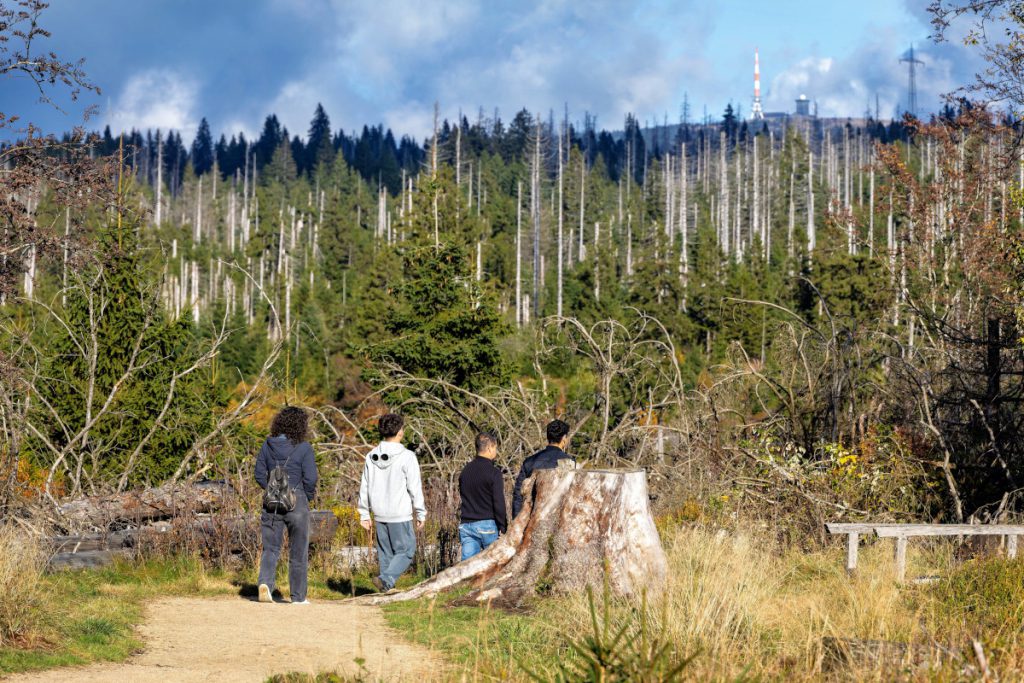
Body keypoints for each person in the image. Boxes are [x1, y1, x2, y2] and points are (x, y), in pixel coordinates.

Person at [255, 406, 318, 605]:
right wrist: (305, 496)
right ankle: (298, 597)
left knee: (270, 549)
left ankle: (265, 584)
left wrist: (272, 489)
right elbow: (311, 477)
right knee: (298, 551)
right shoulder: (304, 447)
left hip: (271, 503)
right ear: (301, 426)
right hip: (297, 501)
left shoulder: (267, 444)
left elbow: (258, 474)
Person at [358, 413, 426, 593]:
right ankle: (386, 579)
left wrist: (364, 513)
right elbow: (414, 487)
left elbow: (364, 486)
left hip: (379, 513)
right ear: (399, 432)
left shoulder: (371, 456)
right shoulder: (407, 456)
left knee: (385, 554)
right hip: (399, 513)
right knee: (407, 551)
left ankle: (386, 589)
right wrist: (421, 512)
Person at [458, 432, 508, 560]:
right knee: (492, 564)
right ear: (490, 448)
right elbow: (498, 502)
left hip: (466, 525)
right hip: (487, 525)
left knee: (467, 567)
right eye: (495, 448)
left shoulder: (465, 471)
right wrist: (502, 525)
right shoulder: (494, 473)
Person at [512, 419, 575, 518]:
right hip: (556, 519)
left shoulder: (529, 461)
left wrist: (517, 520)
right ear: (564, 438)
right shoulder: (569, 462)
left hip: (531, 517)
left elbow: (518, 495)